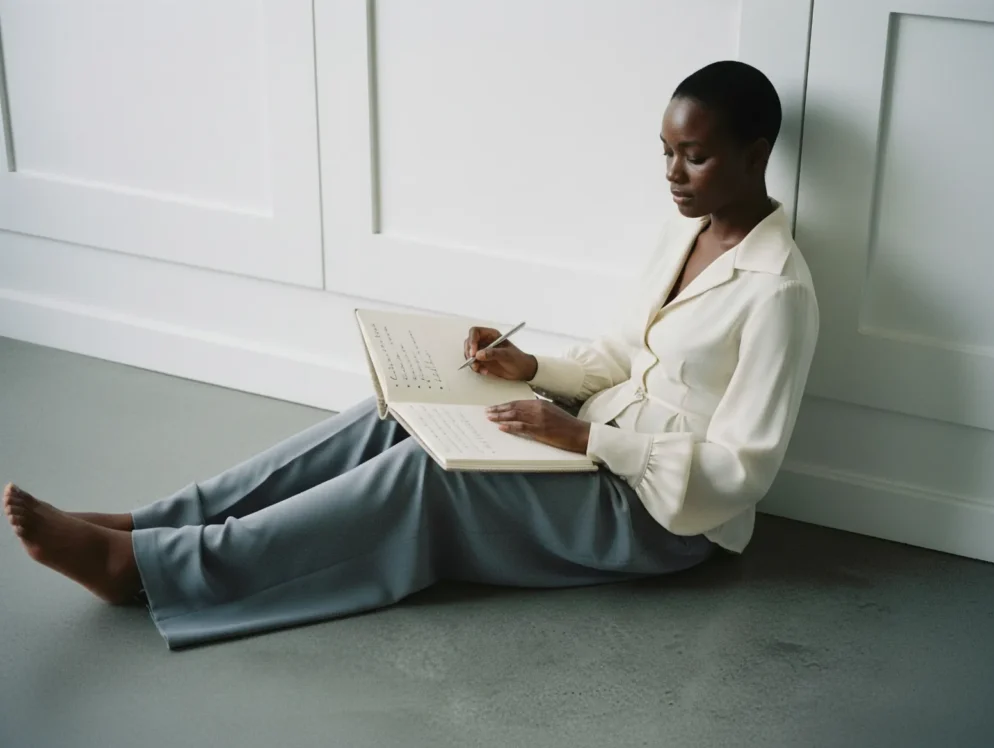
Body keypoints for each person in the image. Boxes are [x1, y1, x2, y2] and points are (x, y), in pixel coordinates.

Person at [3, 60, 818, 650]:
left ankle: (151, 567)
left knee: (433, 472)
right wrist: (530, 370)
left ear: (756, 154)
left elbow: (744, 469)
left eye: (696, 156)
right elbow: (618, 355)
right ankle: (164, 520)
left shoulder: (778, 290)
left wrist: (584, 439)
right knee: (399, 415)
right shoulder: (687, 231)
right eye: (666, 152)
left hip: (659, 518)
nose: (673, 174)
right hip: (593, 445)